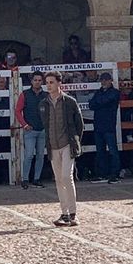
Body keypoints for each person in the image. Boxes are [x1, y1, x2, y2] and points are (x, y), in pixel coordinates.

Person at [42, 71, 86, 226]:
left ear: (59, 83)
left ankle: (73, 213)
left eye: (51, 82)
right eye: (47, 82)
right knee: (59, 179)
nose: (49, 85)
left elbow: (79, 124)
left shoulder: (69, 101)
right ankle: (65, 213)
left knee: (67, 176)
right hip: (53, 145)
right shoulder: (44, 104)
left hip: (67, 143)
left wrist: (75, 141)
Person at [14, 70, 48, 188]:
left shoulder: (46, 95)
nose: (37, 82)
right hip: (30, 130)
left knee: (40, 155)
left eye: (39, 80)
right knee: (29, 155)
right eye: (35, 80)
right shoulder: (25, 94)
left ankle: (36, 178)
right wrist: (24, 124)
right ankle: (25, 179)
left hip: (42, 130)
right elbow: (17, 111)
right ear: (31, 81)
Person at [88, 71, 122, 183]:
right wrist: (100, 103)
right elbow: (91, 105)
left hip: (109, 125)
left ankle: (115, 174)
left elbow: (101, 102)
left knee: (113, 151)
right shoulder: (99, 92)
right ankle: (103, 174)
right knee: (100, 151)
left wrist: (99, 103)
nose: (104, 82)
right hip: (98, 125)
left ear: (111, 80)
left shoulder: (115, 92)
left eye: (106, 79)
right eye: (102, 80)